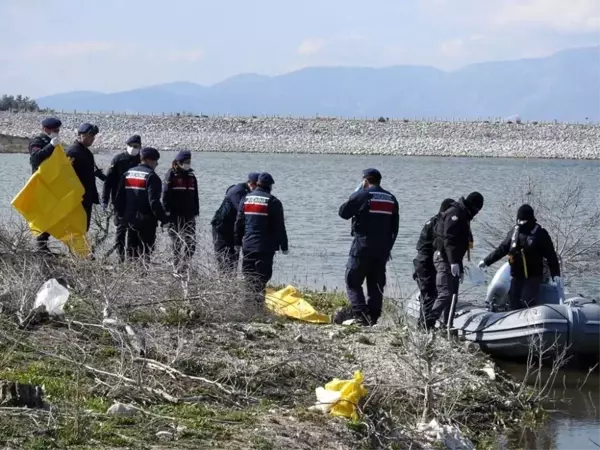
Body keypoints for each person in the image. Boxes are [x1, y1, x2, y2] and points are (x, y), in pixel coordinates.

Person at [338, 169, 400, 326]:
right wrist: (388, 248)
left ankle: (361, 316)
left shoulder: (363, 195)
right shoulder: (391, 198)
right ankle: (373, 318)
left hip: (362, 246)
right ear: (379, 180)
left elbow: (343, 213)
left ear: (365, 181)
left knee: (352, 280)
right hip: (383, 249)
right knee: (376, 284)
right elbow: (395, 228)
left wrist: (354, 195)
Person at [478, 204, 560, 310]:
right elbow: (502, 249)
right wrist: (486, 261)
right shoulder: (514, 232)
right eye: (519, 222)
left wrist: (555, 274)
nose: (521, 224)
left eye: (523, 222)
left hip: (533, 277)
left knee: (526, 301)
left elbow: (551, 255)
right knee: (513, 300)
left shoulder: (541, 234)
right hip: (517, 276)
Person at [429, 192, 484, 328]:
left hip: (453, 260)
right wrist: (454, 262)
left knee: (453, 296)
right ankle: (427, 323)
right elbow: (449, 239)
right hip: (443, 258)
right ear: (472, 206)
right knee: (446, 294)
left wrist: (458, 264)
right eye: (476, 210)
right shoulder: (456, 214)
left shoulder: (464, 215)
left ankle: (447, 325)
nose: (476, 213)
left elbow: (459, 244)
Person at [234, 172, 288, 305]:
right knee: (262, 278)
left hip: (248, 245)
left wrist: (237, 242)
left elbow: (239, 223)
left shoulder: (245, 199)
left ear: (257, 184)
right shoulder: (273, 201)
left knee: (248, 277)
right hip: (265, 247)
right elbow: (279, 227)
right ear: (269, 186)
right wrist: (284, 246)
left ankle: (248, 306)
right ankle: (258, 306)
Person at [114, 147, 168, 261]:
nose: (156, 164)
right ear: (148, 160)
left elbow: (119, 198)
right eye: (155, 161)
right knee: (145, 253)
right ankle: (142, 276)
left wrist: (119, 215)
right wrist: (164, 219)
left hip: (129, 220)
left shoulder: (128, 173)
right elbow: (154, 202)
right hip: (146, 222)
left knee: (131, 251)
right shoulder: (152, 176)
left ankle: (131, 275)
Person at [413, 198, 455, 329]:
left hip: (420, 259)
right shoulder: (440, 223)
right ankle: (425, 326)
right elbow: (440, 244)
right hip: (426, 261)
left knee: (427, 294)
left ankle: (423, 323)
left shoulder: (433, 220)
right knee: (430, 294)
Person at [102, 134, 142, 261]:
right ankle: (120, 258)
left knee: (133, 231)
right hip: (119, 201)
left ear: (140, 147)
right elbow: (108, 181)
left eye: (136, 146)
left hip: (136, 202)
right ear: (127, 146)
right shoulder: (118, 159)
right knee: (120, 230)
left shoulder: (141, 160)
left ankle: (131, 258)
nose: (133, 148)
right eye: (131, 146)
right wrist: (105, 199)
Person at [211, 172, 259, 273]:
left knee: (233, 257)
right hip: (221, 227)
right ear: (252, 183)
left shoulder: (248, 192)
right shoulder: (238, 191)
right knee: (223, 257)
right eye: (257, 186)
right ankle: (222, 281)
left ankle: (231, 281)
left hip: (233, 228)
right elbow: (242, 211)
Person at [28, 117, 62, 253]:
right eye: (55, 130)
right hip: (41, 183)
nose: (57, 132)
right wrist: (51, 146)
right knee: (43, 214)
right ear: (45, 129)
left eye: (58, 130)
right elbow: (36, 158)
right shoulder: (37, 142)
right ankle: (40, 245)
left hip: (52, 183)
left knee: (52, 213)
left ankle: (45, 243)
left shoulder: (52, 141)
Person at [162, 150, 199, 271]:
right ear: (179, 162)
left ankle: (185, 265)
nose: (188, 164)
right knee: (177, 242)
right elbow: (165, 194)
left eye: (189, 161)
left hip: (189, 215)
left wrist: (196, 211)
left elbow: (195, 195)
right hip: (175, 215)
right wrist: (166, 213)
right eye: (186, 162)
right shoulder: (171, 175)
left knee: (191, 242)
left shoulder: (191, 176)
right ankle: (175, 264)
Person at [66, 123, 106, 232]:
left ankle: (81, 249)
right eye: (90, 135)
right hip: (76, 199)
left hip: (86, 197)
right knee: (75, 228)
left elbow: (90, 171)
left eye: (93, 136)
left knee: (84, 228)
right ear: (80, 135)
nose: (93, 138)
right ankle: (73, 249)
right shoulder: (73, 152)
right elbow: (66, 175)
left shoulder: (87, 153)